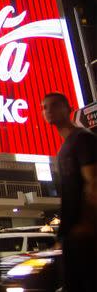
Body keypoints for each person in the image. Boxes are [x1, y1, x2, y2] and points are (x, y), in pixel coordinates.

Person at [42, 92, 96, 292]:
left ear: (68, 108)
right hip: (71, 237)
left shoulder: (82, 139)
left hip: (85, 236)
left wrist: (87, 225)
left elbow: (94, 181)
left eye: (54, 105)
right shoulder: (64, 148)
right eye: (44, 107)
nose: (48, 110)